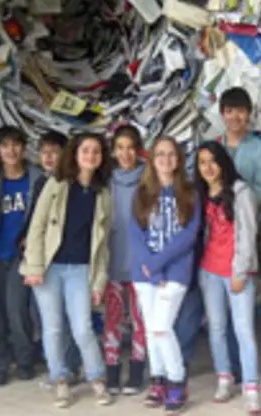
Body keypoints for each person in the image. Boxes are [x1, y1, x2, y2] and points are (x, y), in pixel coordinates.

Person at [175, 87, 261, 387]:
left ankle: (242, 373)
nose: (235, 117)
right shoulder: (210, 147)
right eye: (229, 111)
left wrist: (232, 199)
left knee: (240, 317)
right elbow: (196, 188)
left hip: (242, 233)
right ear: (222, 115)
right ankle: (195, 367)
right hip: (209, 246)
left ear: (249, 115)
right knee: (204, 314)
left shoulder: (258, 149)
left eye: (241, 111)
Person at [20, 133, 114, 408]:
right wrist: (34, 267)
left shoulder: (102, 194)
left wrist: (98, 283)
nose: (91, 156)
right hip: (50, 268)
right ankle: (60, 381)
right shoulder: (56, 184)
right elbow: (36, 228)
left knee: (83, 328)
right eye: (85, 150)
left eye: (96, 151)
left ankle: (97, 379)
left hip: (81, 269)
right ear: (74, 154)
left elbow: (103, 244)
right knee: (52, 328)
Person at [129, 136, 201, 413]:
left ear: (179, 159)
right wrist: (149, 265)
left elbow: (188, 236)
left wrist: (157, 265)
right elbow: (136, 234)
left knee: (161, 327)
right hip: (144, 271)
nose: (166, 159)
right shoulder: (142, 193)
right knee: (151, 330)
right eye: (160, 154)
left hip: (175, 271)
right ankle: (157, 381)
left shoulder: (189, 192)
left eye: (171, 154)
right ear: (152, 158)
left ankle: (177, 381)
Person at [194, 141, 261, 414]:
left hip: (235, 271)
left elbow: (248, 234)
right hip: (208, 270)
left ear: (223, 162)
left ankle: (251, 387)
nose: (208, 168)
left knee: (244, 330)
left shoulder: (240, 191)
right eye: (202, 163)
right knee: (217, 327)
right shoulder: (200, 193)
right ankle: (224, 377)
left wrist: (240, 270)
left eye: (213, 161)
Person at [0, 126, 43, 386]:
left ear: (24, 146)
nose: (11, 150)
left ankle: (25, 360)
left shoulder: (37, 180)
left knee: (18, 312)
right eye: (5, 145)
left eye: (16, 144)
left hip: (21, 257)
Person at [27, 130, 83, 386]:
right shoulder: (40, 183)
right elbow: (34, 224)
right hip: (45, 261)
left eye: (54, 152)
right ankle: (57, 369)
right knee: (50, 320)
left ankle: (71, 366)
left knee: (73, 319)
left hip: (70, 260)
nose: (48, 157)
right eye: (44, 152)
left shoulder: (74, 184)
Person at [103, 125, 147, 395]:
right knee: (113, 318)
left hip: (141, 260)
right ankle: (111, 371)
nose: (126, 153)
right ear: (113, 151)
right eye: (120, 148)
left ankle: (137, 371)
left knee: (141, 319)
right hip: (113, 257)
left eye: (130, 147)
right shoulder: (106, 180)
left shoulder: (148, 178)